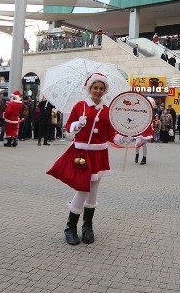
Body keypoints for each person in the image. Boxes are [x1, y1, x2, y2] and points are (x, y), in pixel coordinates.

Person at [46, 73, 127, 246]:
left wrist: (121, 138)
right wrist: (77, 124)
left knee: (94, 190)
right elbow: (68, 128)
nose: (98, 91)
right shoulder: (80, 106)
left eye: (101, 88)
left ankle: (87, 227)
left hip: (99, 153)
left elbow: (111, 132)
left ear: (105, 90)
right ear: (89, 88)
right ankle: (70, 227)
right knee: (83, 189)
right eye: (95, 87)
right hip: (82, 153)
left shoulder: (107, 110)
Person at [135, 97, 156, 165]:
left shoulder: (150, 110)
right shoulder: (139, 108)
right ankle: (137, 154)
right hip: (139, 128)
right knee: (137, 143)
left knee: (143, 144)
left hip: (146, 128)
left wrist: (152, 124)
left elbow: (151, 119)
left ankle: (144, 158)